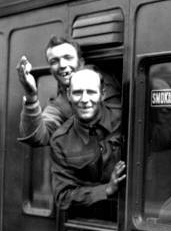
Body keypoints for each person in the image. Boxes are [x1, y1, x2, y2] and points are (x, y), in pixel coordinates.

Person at [16, 35, 120, 147]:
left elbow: (116, 122)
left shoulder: (103, 81)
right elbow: (37, 137)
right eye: (54, 61)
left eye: (68, 58)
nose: (62, 65)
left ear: (81, 62)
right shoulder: (59, 105)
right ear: (51, 70)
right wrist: (31, 96)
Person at [50, 66, 125, 211]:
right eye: (78, 92)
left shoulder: (125, 119)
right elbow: (63, 197)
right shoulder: (60, 141)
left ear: (102, 94)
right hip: (89, 221)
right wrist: (106, 190)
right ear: (69, 94)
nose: (84, 99)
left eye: (91, 92)